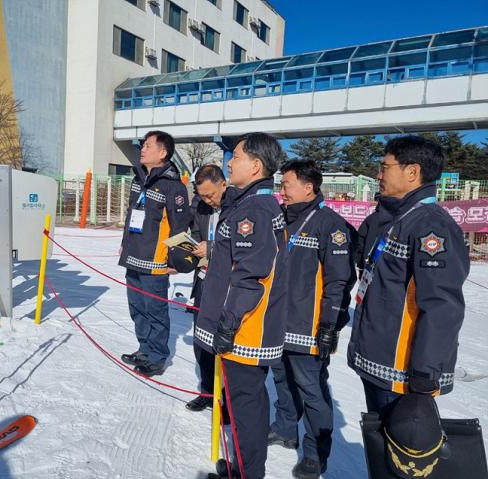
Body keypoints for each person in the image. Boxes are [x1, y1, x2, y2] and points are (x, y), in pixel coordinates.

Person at [347, 135, 469, 417]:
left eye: (384, 167)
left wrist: (425, 371)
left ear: (412, 171)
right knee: (380, 454)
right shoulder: (398, 219)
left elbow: (442, 306)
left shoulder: (431, 225)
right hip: (379, 359)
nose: (378, 174)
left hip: (403, 371)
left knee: (402, 457)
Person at [194, 133, 286, 479]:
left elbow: (251, 276)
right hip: (241, 325)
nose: (229, 163)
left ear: (256, 165)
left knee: (246, 406)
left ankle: (248, 474)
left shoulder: (255, 210)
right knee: (243, 403)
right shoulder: (246, 204)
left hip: (246, 329)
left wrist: (228, 324)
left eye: (235, 157)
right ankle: (243, 468)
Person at [267, 160, 357, 479]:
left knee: (312, 390)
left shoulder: (330, 225)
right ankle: (284, 427)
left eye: (287, 184)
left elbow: (339, 282)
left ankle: (315, 453)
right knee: (282, 381)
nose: (282, 191)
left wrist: (329, 325)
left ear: (308, 187)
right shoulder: (280, 219)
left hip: (309, 327)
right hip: (278, 323)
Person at [119, 130, 191, 377]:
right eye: (143, 145)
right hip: (134, 254)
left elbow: (180, 226)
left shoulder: (174, 187)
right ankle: (144, 348)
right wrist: (124, 243)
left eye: (148, 146)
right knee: (136, 307)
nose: (142, 149)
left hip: (156, 260)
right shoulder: (139, 178)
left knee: (155, 311)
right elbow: (132, 214)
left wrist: (175, 260)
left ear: (162, 153)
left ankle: (157, 357)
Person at [185, 164, 230, 412]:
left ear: (224, 184)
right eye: (202, 195)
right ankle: (207, 391)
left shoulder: (238, 208)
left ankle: (226, 399)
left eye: (211, 194)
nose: (208, 200)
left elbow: (241, 245)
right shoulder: (202, 207)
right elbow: (195, 232)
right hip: (203, 280)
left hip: (228, 287)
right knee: (201, 341)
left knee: (224, 344)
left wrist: (211, 248)